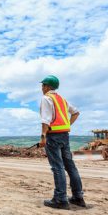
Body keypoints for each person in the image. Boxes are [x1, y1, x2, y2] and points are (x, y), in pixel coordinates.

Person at [39, 75, 86, 209]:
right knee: (70, 167)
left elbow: (45, 120)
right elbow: (76, 112)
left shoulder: (46, 98)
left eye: (43, 85)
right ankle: (78, 197)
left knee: (57, 168)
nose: (42, 88)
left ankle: (60, 199)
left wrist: (43, 136)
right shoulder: (62, 99)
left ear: (47, 86)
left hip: (53, 136)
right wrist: (68, 125)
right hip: (65, 136)